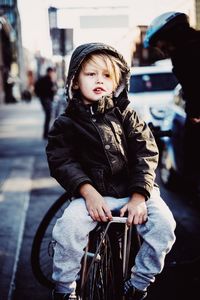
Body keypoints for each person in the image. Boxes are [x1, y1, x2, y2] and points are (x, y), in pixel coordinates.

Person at [46, 42, 176, 300]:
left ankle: (139, 283)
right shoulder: (66, 123)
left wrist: (140, 196)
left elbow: (146, 152)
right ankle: (64, 289)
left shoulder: (127, 113)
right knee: (68, 228)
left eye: (107, 75)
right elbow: (62, 160)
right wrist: (87, 192)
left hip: (135, 191)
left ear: (116, 82)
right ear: (74, 81)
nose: (99, 80)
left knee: (164, 224)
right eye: (90, 74)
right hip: (92, 196)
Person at [144, 11, 200, 204]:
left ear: (169, 36)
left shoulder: (184, 55)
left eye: (159, 44)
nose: (161, 50)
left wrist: (194, 116)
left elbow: (193, 93)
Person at [35, 67, 57, 139]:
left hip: (45, 99)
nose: (52, 73)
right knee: (48, 115)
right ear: (49, 72)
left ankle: (46, 133)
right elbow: (49, 90)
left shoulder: (46, 79)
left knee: (48, 116)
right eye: (52, 72)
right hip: (46, 99)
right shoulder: (46, 79)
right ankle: (46, 133)